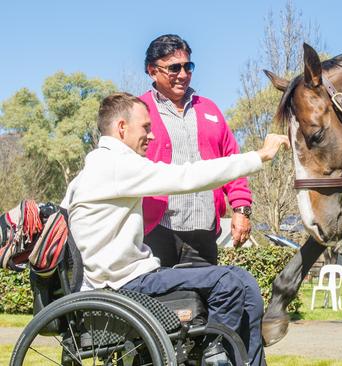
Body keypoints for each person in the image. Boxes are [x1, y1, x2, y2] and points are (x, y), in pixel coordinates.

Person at [61, 93, 289, 366]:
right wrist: (259, 156)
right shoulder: (116, 164)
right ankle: (213, 355)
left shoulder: (97, 166)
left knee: (245, 284)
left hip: (126, 278)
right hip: (123, 284)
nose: (152, 136)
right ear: (122, 128)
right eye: (146, 127)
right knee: (227, 282)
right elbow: (187, 176)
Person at [140, 34, 252, 267]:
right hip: (156, 229)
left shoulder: (209, 109)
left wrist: (241, 209)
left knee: (201, 299)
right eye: (174, 68)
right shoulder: (138, 110)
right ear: (152, 70)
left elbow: (233, 163)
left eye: (187, 66)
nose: (183, 75)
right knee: (156, 301)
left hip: (204, 230)